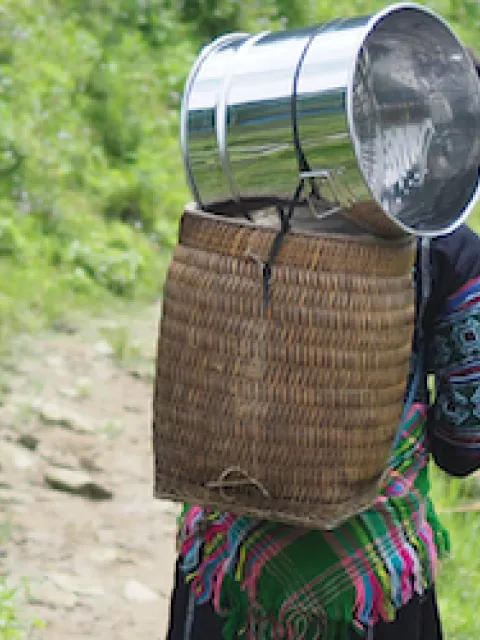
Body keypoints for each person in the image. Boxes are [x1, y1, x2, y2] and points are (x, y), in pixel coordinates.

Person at [165, 51, 480, 640]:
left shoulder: (243, 216)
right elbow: (466, 440)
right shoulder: (452, 253)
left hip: (232, 549)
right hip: (371, 568)